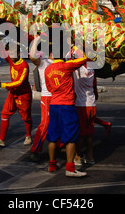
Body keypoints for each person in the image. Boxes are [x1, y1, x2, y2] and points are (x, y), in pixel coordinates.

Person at [45, 45, 89, 177]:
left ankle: (52, 165)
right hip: (67, 105)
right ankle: (70, 168)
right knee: (71, 137)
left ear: (52, 55)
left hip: (54, 104)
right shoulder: (66, 66)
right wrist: (75, 46)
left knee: (52, 137)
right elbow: (84, 58)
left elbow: (49, 87)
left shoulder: (48, 69)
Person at [0, 42, 32, 147]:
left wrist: (2, 84)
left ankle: (28, 135)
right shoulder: (11, 59)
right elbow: (1, 52)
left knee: (26, 117)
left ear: (18, 53)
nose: (10, 55)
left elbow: (19, 82)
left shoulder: (24, 66)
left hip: (23, 94)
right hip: (13, 93)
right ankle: (1, 139)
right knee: (5, 113)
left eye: (12, 53)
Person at [28, 35, 53, 162]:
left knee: (61, 123)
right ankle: (35, 150)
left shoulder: (63, 62)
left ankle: (60, 147)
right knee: (45, 124)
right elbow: (32, 56)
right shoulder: (44, 62)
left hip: (62, 98)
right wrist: (36, 40)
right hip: (48, 97)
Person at [72, 51, 98, 166]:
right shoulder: (92, 70)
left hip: (81, 105)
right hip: (91, 103)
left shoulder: (78, 70)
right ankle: (91, 156)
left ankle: (77, 156)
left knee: (81, 133)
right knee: (89, 132)